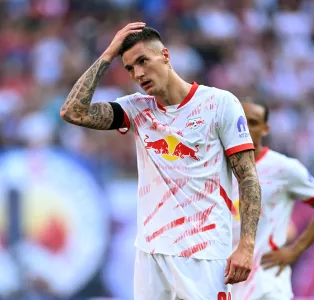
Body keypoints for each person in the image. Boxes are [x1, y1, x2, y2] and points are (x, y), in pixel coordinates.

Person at [60, 23, 262, 300]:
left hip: (203, 252)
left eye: (143, 61)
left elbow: (248, 176)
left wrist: (247, 244)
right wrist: (107, 54)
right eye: (130, 68)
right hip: (150, 252)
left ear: (165, 56)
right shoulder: (136, 108)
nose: (138, 73)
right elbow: (73, 112)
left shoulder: (219, 103)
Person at [231, 98, 314, 300]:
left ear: (265, 129)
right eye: (240, 122)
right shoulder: (218, 167)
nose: (245, 128)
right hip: (231, 286)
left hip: (268, 287)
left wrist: (295, 250)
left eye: (253, 123)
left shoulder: (284, 168)